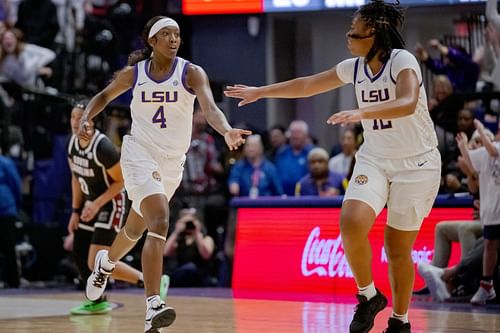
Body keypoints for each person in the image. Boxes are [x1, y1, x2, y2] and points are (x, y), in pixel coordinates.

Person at [224, 1, 441, 332]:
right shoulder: (354, 68)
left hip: (418, 162)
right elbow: (308, 84)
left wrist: (362, 113)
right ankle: (368, 296)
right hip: (376, 157)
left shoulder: (401, 60)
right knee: (351, 223)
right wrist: (261, 91)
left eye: (354, 32)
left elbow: (408, 101)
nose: (348, 37)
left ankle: (400, 321)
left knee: (397, 248)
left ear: (375, 34)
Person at [79, 16, 251, 333]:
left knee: (135, 226)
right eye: (167, 34)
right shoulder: (135, 74)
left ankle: (105, 263)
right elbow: (102, 97)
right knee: (159, 218)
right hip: (138, 153)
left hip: (172, 162)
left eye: (177, 35)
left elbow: (210, 109)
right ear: (152, 41)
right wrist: (86, 119)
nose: (174, 39)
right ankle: (153, 307)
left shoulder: (191, 72)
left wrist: (226, 131)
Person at [67, 102, 153, 315]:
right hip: (91, 204)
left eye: (81, 118)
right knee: (79, 252)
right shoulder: (72, 145)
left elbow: (120, 182)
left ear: (92, 121)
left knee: (95, 259)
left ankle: (150, 281)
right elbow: (76, 179)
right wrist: (75, 211)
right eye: (73, 117)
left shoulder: (102, 147)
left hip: (111, 202)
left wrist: (96, 205)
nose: (75, 122)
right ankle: (97, 300)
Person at [456, 119, 500, 305]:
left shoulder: (493, 148)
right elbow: (472, 164)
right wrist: (463, 147)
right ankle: (486, 286)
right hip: (492, 210)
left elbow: (492, 151)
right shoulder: (491, 148)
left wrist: (481, 130)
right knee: (489, 245)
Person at [163, 208, 215, 287]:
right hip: (180, 274)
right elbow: (165, 252)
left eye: (191, 222)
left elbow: (206, 255)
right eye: (186, 223)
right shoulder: (178, 239)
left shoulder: (206, 238)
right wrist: (176, 232)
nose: (189, 225)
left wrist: (197, 233)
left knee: (191, 267)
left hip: (199, 276)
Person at [0, 149, 22, 288]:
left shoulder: (5, 163)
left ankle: (13, 279)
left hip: (6, 209)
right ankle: (13, 280)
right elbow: (16, 186)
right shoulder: (6, 163)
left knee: (8, 247)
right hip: (7, 208)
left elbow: (15, 184)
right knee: (9, 247)